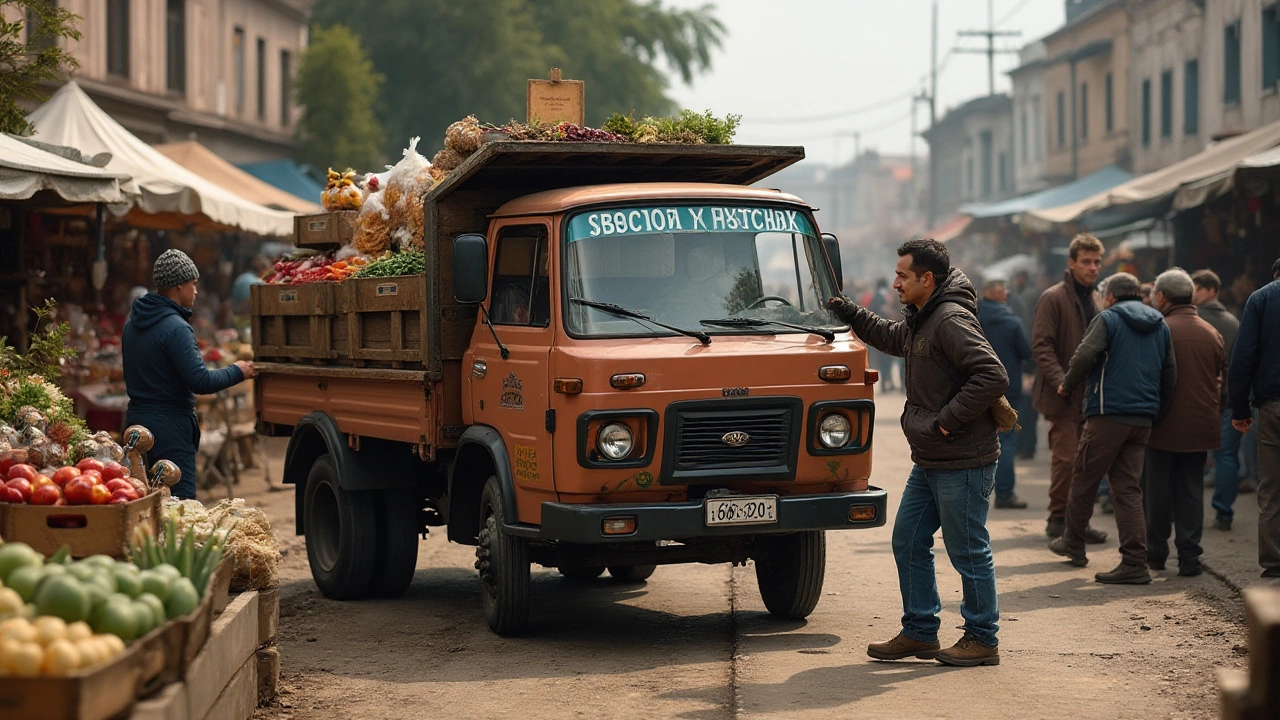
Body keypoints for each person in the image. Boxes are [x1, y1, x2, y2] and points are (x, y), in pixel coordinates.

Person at [829, 238, 1008, 667]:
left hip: (961, 459)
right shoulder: (924, 316)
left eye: (903, 276)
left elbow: (992, 374)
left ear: (927, 279)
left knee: (967, 550)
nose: (895, 284)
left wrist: (945, 421)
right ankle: (921, 631)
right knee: (907, 541)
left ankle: (982, 638)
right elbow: (894, 337)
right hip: (931, 458)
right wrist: (851, 312)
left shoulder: (949, 318)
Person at [1048, 272, 1175, 584]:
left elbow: (1084, 355)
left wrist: (1067, 384)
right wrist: (1156, 408)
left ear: (1112, 296)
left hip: (1108, 414)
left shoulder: (1108, 318)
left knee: (1084, 478)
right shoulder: (1160, 323)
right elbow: (1169, 372)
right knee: (1128, 488)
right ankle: (1134, 562)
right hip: (1142, 418)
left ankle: (1074, 544)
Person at [123, 249, 257, 500]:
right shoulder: (176, 328)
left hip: (136, 426)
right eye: (193, 284)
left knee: (141, 504)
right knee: (178, 509)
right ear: (178, 286)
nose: (196, 291)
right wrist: (239, 370)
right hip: (169, 431)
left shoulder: (132, 325)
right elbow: (200, 381)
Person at [1145, 269, 1225, 577]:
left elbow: (1151, 377)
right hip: (1200, 425)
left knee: (1158, 492)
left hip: (1161, 425)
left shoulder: (1159, 329)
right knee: (1191, 491)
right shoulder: (1210, 331)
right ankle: (1190, 558)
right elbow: (1223, 380)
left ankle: (1156, 555)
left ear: (1162, 297)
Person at [1031, 234, 1108, 543]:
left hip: (1095, 396)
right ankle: (1058, 518)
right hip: (1064, 395)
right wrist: (1060, 379)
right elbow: (1041, 345)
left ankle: (1079, 522)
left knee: (1089, 464)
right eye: (1086, 262)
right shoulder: (1054, 297)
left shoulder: (1098, 298)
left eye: (1097, 262)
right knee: (1065, 459)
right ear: (1072, 263)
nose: (1092, 268)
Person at [1228, 257, 1280, 579]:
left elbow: (1243, 356)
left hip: (1274, 406)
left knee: (1271, 487)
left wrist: (1240, 409)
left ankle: (1275, 563)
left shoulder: (1261, 298)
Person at [1193, 269, 1245, 531]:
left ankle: (1189, 514)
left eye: (1198, 288)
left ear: (1211, 290)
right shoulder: (1234, 322)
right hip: (1231, 397)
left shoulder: (1195, 320)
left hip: (1202, 397)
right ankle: (1224, 511)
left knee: (1195, 455)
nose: (1193, 292)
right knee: (1227, 455)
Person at [976, 276, 1033, 509]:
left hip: (976, 387)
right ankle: (1005, 494)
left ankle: (979, 495)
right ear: (999, 294)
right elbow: (1026, 352)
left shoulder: (972, 319)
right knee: (1006, 439)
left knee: (978, 439)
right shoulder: (1012, 321)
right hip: (1008, 386)